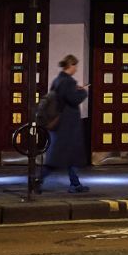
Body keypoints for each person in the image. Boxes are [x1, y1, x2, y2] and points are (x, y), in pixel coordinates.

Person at [36, 54, 90, 193]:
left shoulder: (58, 80)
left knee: (67, 156)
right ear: (70, 65)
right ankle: (38, 179)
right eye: (75, 66)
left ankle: (75, 184)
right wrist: (83, 92)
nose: (76, 69)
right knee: (58, 158)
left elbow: (62, 97)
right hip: (67, 124)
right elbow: (73, 99)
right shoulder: (68, 82)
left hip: (59, 123)